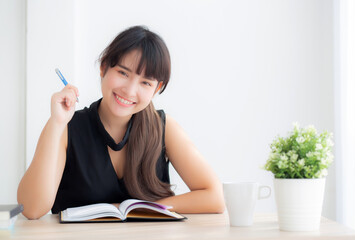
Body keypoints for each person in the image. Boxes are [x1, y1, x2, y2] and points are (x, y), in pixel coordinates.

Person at [17, 26, 225, 219]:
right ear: (104, 67)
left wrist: (144, 209)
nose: (130, 90)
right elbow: (32, 209)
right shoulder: (66, 127)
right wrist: (56, 123)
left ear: (157, 88)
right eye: (123, 73)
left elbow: (215, 198)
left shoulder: (164, 128)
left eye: (145, 82)